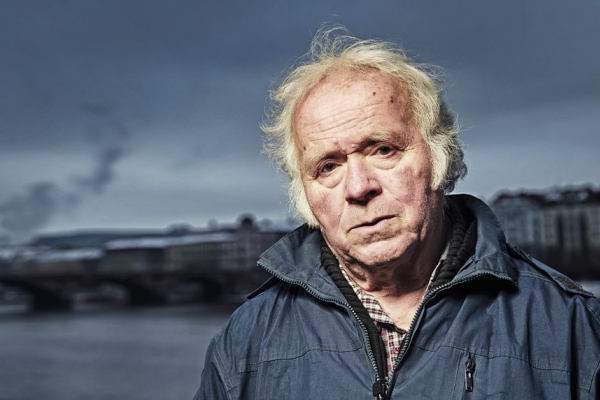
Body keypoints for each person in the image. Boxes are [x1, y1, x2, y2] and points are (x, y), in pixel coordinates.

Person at [194, 27, 600, 399]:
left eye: (383, 149)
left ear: (439, 157)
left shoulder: (571, 326)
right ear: (306, 195)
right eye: (328, 167)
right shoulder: (245, 342)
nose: (358, 188)